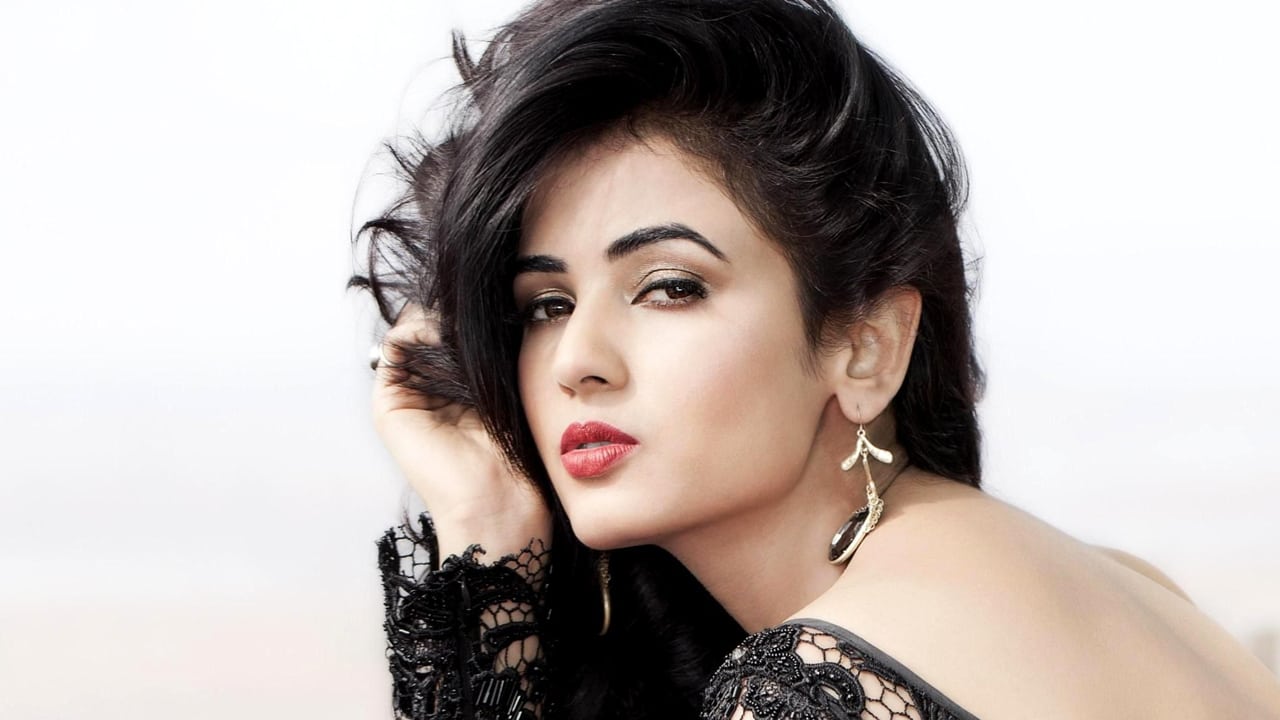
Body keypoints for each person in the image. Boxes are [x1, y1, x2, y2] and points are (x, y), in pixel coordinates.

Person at [351, 1, 1280, 717]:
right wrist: (489, 514)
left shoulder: (819, 681)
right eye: (546, 306)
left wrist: (487, 559)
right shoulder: (1122, 588)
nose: (576, 361)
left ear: (867, 347)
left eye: (669, 287)